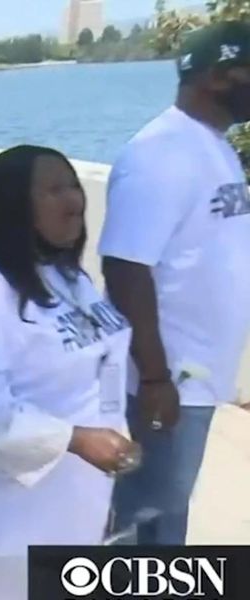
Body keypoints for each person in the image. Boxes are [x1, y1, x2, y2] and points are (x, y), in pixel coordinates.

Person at [0, 145, 136, 599]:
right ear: (13, 205)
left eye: (73, 186)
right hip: (3, 525)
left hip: (75, 505)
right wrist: (78, 439)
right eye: (53, 190)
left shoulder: (68, 276)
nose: (74, 200)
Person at [102, 22, 250, 546]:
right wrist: (156, 377)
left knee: (167, 521)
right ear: (217, 77)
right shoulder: (160, 153)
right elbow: (124, 267)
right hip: (169, 382)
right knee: (144, 526)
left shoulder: (215, 145)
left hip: (199, 377)